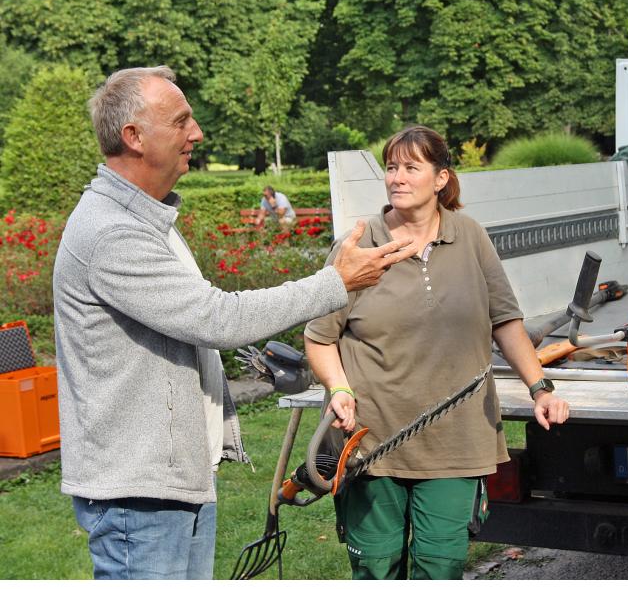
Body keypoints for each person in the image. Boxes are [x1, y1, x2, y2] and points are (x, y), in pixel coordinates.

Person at [53, 66, 417, 580]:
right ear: (134, 137)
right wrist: (335, 283)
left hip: (169, 486)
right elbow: (217, 317)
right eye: (181, 122)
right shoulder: (113, 233)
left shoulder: (145, 219)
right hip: (139, 497)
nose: (196, 134)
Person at [304, 125, 571, 580]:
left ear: (441, 178)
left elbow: (504, 321)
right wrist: (339, 387)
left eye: (411, 167)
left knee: (440, 565)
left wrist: (540, 388)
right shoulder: (359, 244)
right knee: (376, 566)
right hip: (371, 439)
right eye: (391, 167)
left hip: (457, 438)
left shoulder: (469, 236)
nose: (397, 178)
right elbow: (320, 335)